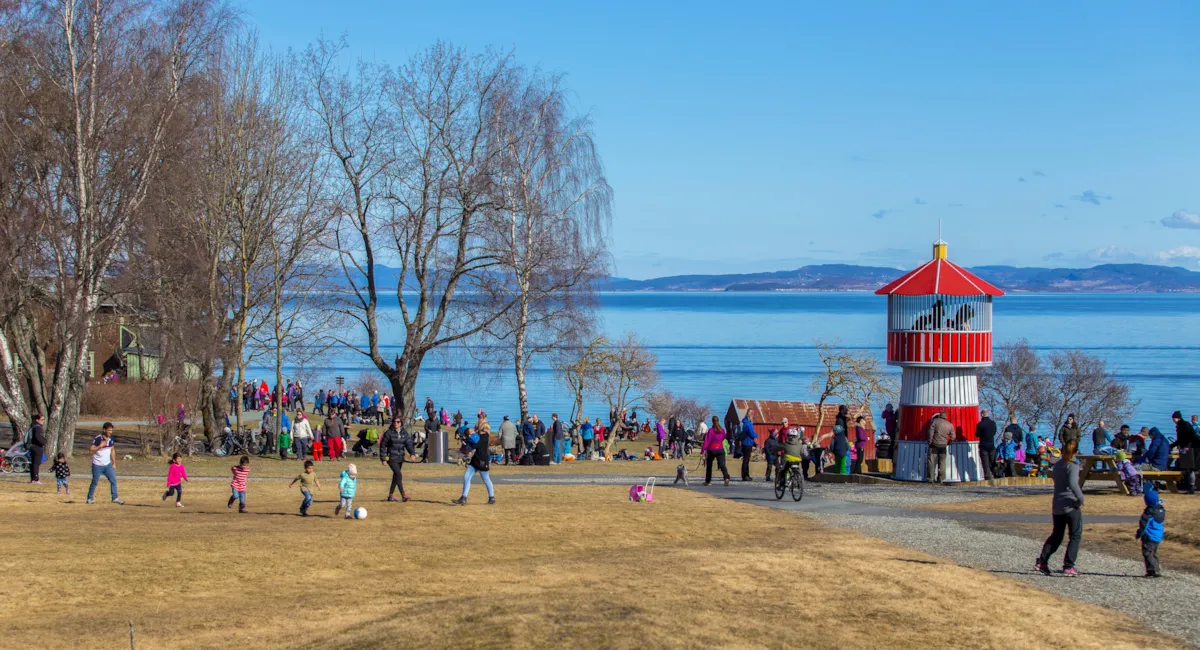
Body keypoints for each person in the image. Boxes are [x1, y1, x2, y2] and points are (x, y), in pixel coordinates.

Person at [1036, 439, 1084, 577]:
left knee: (1057, 535)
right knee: (1075, 535)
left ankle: (1042, 561)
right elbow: (1073, 484)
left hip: (1057, 503)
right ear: (1075, 452)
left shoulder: (1057, 465)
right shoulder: (1073, 466)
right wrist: (1080, 498)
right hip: (1071, 504)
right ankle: (1069, 566)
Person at [452, 428, 495, 505]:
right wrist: (466, 442)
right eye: (471, 431)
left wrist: (467, 441)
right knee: (467, 477)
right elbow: (468, 450)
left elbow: (472, 446)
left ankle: (492, 497)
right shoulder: (473, 440)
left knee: (486, 479)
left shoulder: (483, 437)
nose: (474, 431)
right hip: (475, 461)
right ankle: (463, 498)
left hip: (483, 460)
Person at [86, 423, 124, 505]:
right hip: (97, 465)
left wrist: (114, 462)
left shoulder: (111, 439)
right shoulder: (98, 438)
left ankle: (115, 498)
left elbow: (112, 450)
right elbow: (90, 450)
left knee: (113, 480)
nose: (110, 432)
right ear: (104, 430)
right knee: (95, 482)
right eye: (109, 430)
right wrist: (99, 446)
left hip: (107, 465)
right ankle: (90, 498)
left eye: (111, 430)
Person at [380, 416, 415, 502]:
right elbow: (382, 445)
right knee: (398, 474)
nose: (396, 423)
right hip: (391, 457)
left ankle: (390, 496)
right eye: (394, 421)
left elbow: (408, 444)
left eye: (398, 422)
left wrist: (412, 453)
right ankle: (403, 495)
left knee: (396, 476)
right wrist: (383, 459)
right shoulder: (389, 433)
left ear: (401, 423)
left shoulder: (404, 433)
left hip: (400, 458)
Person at [1136, 483, 1166, 578]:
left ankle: (1154, 570)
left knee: (1147, 553)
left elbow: (1143, 526)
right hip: (1157, 536)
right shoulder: (1160, 510)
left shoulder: (1148, 514)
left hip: (1149, 536)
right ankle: (1151, 570)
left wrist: (1138, 534)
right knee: (1153, 553)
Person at [926, 411, 955, 483]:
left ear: (939, 416)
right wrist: (949, 442)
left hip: (934, 445)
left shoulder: (935, 422)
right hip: (943, 446)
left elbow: (930, 432)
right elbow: (953, 436)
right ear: (946, 417)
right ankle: (941, 478)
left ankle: (931, 478)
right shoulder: (949, 425)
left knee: (931, 461)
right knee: (942, 462)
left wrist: (930, 441)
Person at [1172, 410, 1197, 494]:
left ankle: (1191, 487)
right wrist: (1172, 446)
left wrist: (1188, 446)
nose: (1173, 420)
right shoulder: (1181, 425)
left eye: (1174, 418)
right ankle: (1188, 486)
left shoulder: (1184, 425)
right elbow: (1180, 440)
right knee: (1187, 468)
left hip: (1189, 449)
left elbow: (1192, 436)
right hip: (1185, 448)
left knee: (1190, 468)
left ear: (1177, 418)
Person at [703, 416, 731, 487]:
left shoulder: (711, 431)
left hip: (712, 449)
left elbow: (707, 441)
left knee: (709, 465)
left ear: (712, 421)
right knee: (722, 464)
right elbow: (724, 437)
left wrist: (703, 450)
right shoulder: (722, 430)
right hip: (720, 449)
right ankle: (726, 477)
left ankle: (708, 481)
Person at [977, 409, 998, 480]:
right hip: (991, 445)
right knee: (992, 461)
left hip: (983, 445)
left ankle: (987, 476)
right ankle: (995, 473)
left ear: (982, 414)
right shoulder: (993, 423)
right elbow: (994, 432)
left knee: (985, 462)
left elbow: (978, 434)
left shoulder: (980, 424)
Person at [26, 413, 45, 484]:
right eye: (41, 420)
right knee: (36, 463)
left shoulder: (32, 426)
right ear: (37, 420)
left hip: (32, 446)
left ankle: (33, 479)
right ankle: (36, 479)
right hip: (37, 447)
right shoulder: (37, 427)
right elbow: (38, 438)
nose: (43, 421)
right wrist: (43, 442)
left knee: (33, 463)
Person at [739, 413, 757, 481]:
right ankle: (745, 475)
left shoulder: (744, 423)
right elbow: (751, 434)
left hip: (745, 443)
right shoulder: (748, 424)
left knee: (745, 460)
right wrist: (756, 435)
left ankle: (746, 475)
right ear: (750, 417)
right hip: (748, 443)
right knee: (746, 460)